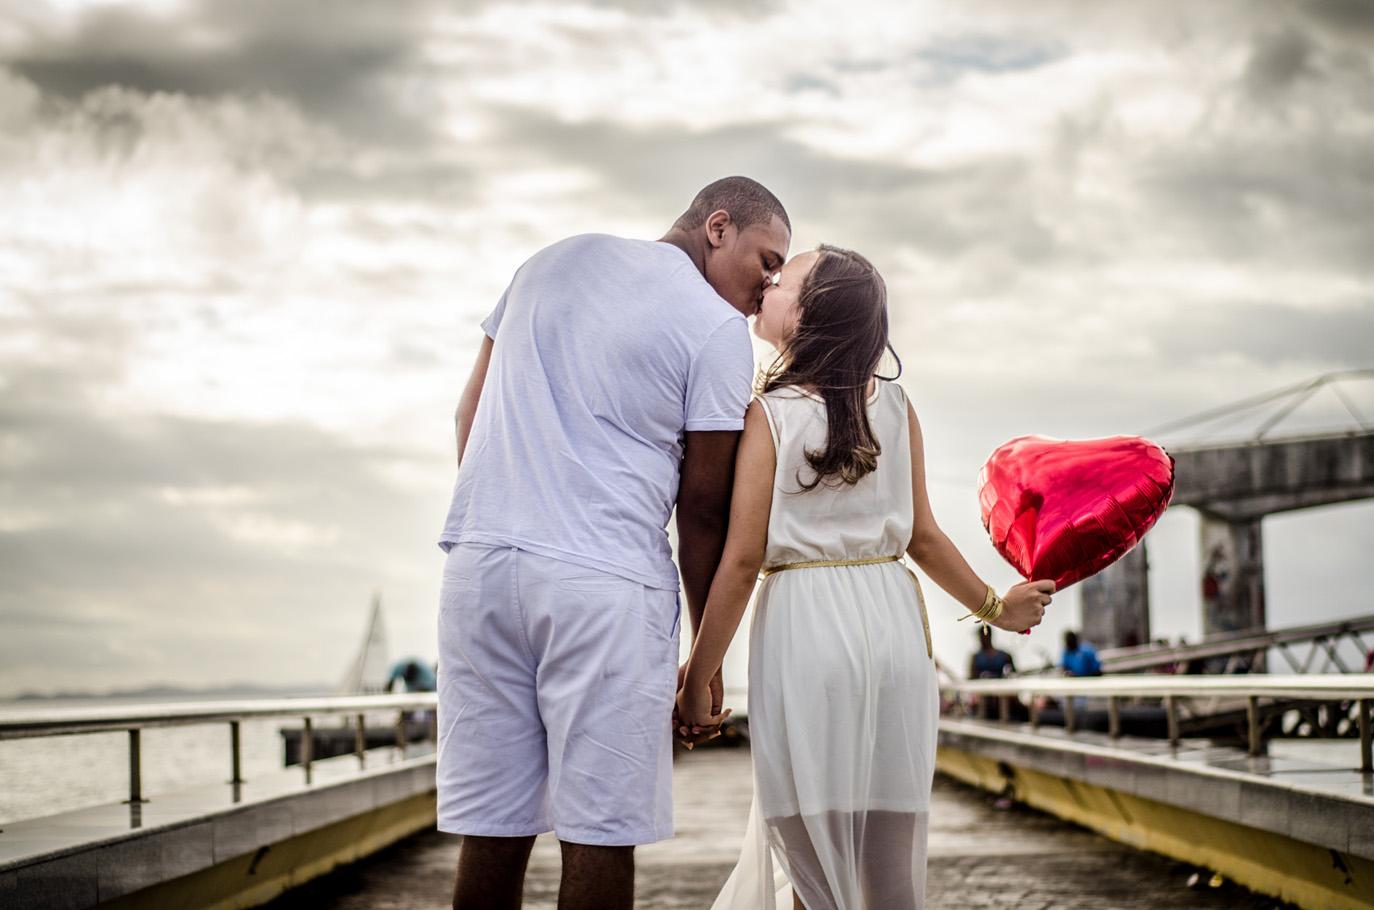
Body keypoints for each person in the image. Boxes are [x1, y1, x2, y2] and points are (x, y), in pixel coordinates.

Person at [436, 177, 791, 910]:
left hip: (480, 567)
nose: (771, 283)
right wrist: (705, 651)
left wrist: (509, 508)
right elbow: (701, 509)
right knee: (600, 830)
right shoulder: (714, 328)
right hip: (605, 584)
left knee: (492, 829)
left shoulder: (547, 263)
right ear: (717, 227)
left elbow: (470, 412)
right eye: (767, 259)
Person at [675, 245, 1053, 910]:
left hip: (805, 630)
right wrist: (997, 607)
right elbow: (924, 538)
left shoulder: (769, 415)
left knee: (814, 866)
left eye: (783, 277)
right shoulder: (897, 406)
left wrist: (699, 675)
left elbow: (739, 561)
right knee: (889, 868)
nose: (768, 280)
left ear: (810, 314)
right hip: (893, 634)